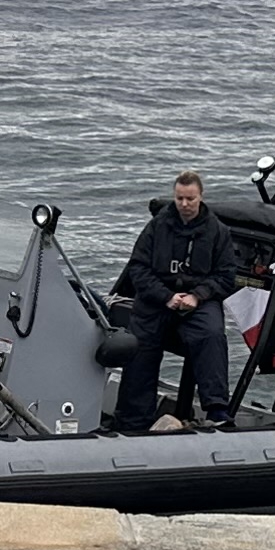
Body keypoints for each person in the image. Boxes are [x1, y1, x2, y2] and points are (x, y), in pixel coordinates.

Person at [107, 173, 247, 435]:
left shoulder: (217, 232)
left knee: (212, 334)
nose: (184, 204)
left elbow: (227, 276)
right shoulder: (157, 227)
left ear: (200, 197)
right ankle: (131, 422)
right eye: (180, 198)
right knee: (140, 346)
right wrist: (165, 296)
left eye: (190, 199)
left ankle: (216, 408)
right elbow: (138, 268)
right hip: (158, 298)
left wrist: (197, 295)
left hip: (198, 299)